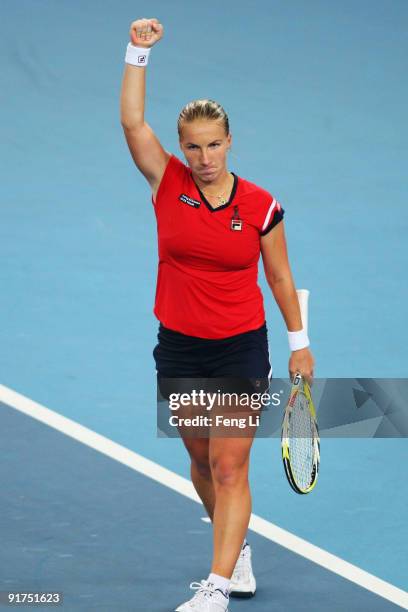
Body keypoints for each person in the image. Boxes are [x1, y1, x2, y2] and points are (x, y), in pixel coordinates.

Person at [120, 17, 314, 612]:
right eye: (193, 146)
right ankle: (236, 550)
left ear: (230, 141)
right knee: (201, 463)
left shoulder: (260, 206)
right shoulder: (166, 182)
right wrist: (137, 52)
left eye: (214, 144)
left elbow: (279, 277)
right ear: (182, 148)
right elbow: (132, 121)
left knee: (231, 468)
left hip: (238, 349)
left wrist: (299, 342)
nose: (204, 157)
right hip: (179, 347)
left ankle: (218, 586)